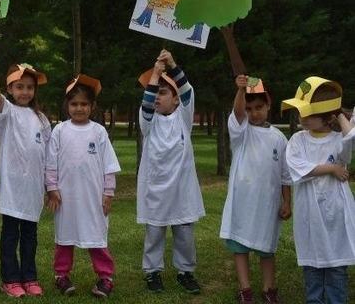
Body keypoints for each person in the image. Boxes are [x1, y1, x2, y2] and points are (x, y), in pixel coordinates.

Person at [136, 50, 204, 294]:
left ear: (176, 100)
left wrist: (173, 65)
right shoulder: (148, 122)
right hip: (155, 190)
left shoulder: (184, 119)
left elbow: (187, 90)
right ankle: (152, 273)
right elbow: (146, 101)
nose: (157, 97)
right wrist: (155, 74)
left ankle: (186, 272)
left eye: (163, 92)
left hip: (182, 190)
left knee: (184, 235)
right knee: (154, 234)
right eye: (155, 92)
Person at [282, 77, 355, 304]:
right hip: (310, 215)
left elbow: (351, 139)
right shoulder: (298, 140)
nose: (303, 118)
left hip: (335, 214)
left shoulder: (338, 141)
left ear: (328, 117)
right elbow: (299, 168)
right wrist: (331, 168)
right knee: (313, 268)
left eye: (310, 114)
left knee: (335, 268)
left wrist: (340, 114)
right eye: (301, 113)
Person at [46, 74, 120, 298]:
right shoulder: (60, 130)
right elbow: (51, 163)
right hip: (65, 198)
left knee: (96, 237)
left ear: (93, 106)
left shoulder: (98, 131)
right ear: (67, 105)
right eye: (74, 104)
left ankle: (105, 277)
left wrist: (108, 193)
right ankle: (61, 275)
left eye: (84, 104)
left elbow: (109, 164)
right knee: (65, 238)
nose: (79, 108)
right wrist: (52, 188)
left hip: (92, 197)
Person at [0, 51, 50, 298]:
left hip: (33, 189)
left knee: (30, 237)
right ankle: (10, 279)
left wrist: (48, 184)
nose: (25, 92)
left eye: (29, 87)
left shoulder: (41, 118)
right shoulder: (6, 113)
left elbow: (48, 153)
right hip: (12, 188)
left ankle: (30, 277)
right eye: (19, 87)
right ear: (9, 89)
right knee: (10, 235)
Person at [219, 75, 291, 304]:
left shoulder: (279, 138)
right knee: (240, 248)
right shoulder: (241, 133)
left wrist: (287, 202)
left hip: (268, 204)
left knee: (266, 249)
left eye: (259, 107)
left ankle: (269, 289)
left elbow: (285, 175)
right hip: (242, 202)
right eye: (249, 108)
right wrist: (240, 91)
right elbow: (238, 113)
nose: (254, 113)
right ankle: (245, 289)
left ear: (269, 105)